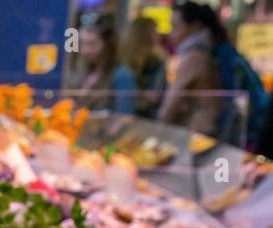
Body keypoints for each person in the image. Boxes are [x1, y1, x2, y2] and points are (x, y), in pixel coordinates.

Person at [163, 2, 268, 146]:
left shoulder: (195, 56)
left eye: (176, 26)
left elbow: (167, 111)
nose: (171, 33)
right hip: (219, 132)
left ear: (195, 26)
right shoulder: (213, 50)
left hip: (200, 135)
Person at [112, 16, 166, 116]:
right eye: (154, 31)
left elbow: (155, 96)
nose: (158, 35)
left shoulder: (156, 61)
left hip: (144, 115)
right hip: (134, 114)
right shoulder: (123, 62)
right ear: (144, 35)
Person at [75, 13, 120, 110]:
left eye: (92, 44)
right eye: (82, 43)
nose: (85, 50)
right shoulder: (88, 72)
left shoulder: (120, 75)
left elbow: (124, 118)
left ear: (108, 45)